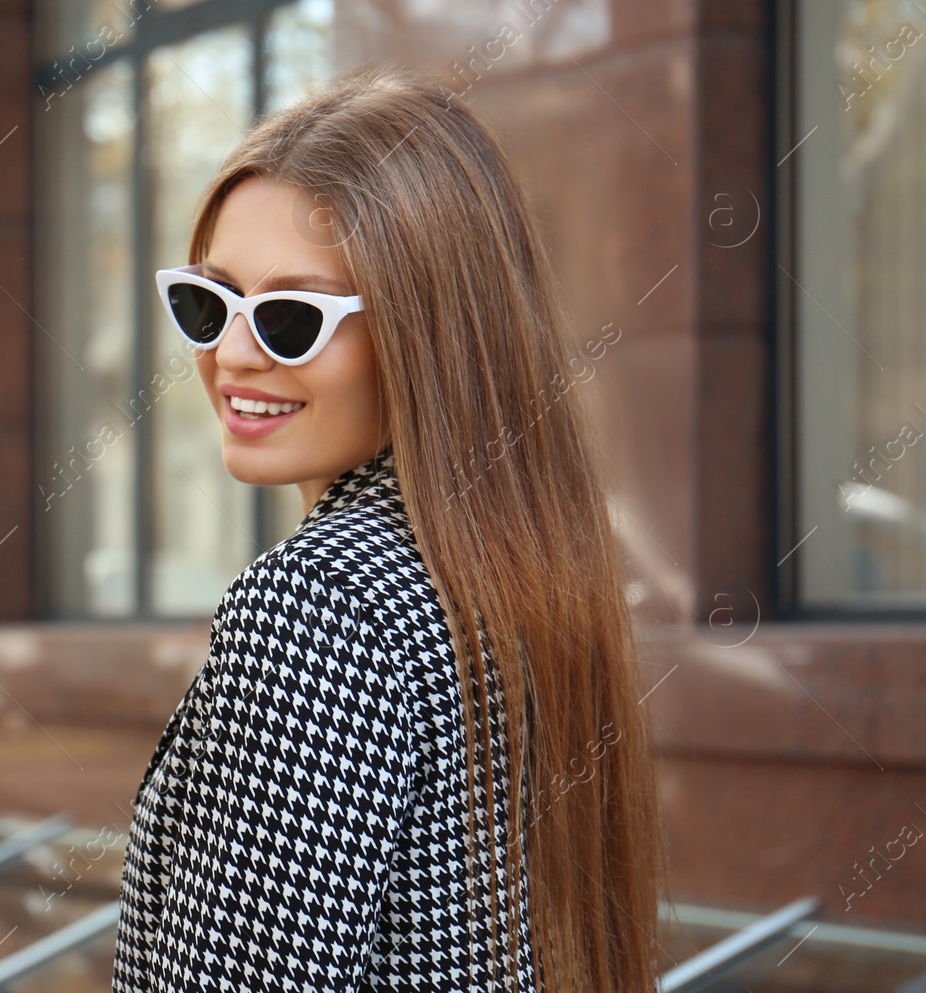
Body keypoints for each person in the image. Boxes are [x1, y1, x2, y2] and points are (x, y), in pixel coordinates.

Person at [111, 67, 663, 992]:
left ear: (427, 331)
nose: (231, 353)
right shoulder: (513, 575)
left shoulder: (319, 606)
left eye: (292, 318)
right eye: (208, 302)